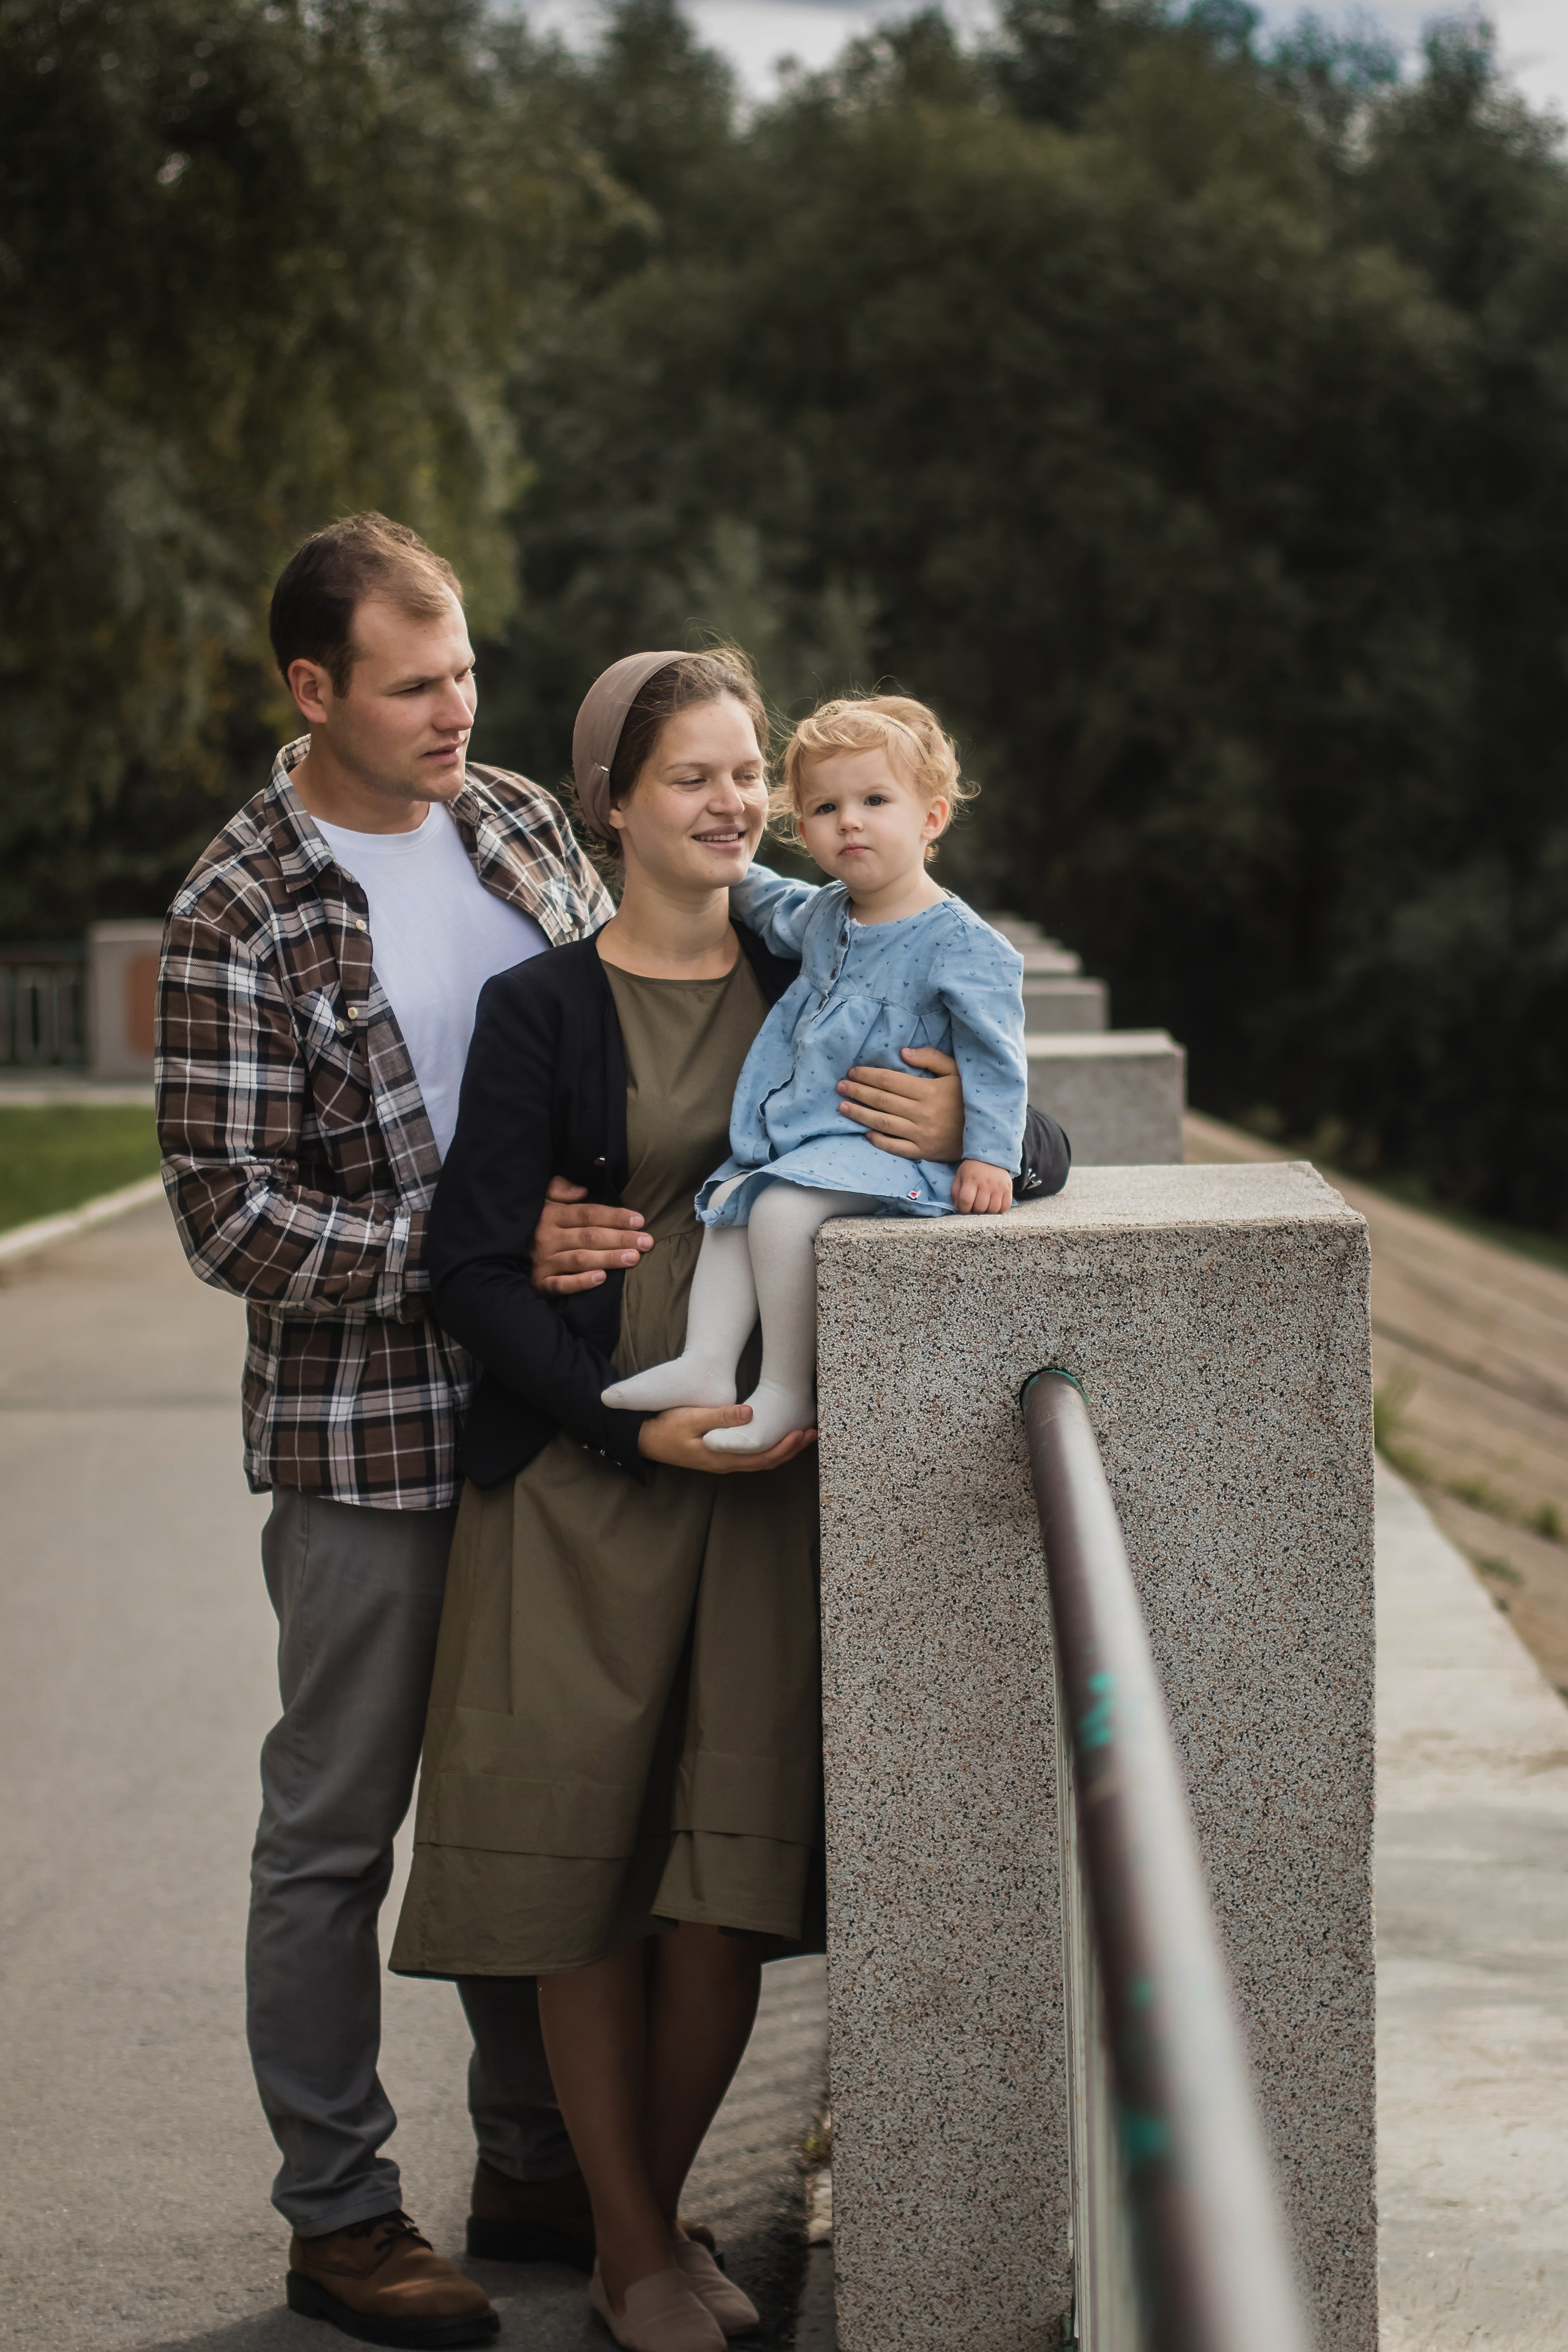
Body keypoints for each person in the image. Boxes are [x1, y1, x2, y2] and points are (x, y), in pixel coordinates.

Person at [156, 538, 991, 2349]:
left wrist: (1008, 1131)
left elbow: (828, 929)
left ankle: (544, 2160)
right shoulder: (240, 906)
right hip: (378, 1429)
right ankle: (342, 2210)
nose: (457, 711)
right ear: (313, 693)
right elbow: (226, 1215)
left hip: (566, 1418)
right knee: (342, 1822)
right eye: (410, 685)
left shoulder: (520, 820)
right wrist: (475, 1247)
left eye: (461, 671)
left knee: (560, 1811)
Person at [388, 649, 1070, 2352]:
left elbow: (1016, 1118)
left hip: (762, 1480)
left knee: (721, 1884)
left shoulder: (815, 944)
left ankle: (653, 2201)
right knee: (583, 1876)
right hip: (588, 1473)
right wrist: (629, 1438)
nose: (731, 801)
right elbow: (467, 1273)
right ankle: (631, 2247)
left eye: (747, 769)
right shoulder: (542, 1007)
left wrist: (975, 1130)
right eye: (689, 775)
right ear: (612, 803)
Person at [603, 694, 1028, 1452]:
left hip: (887, 1154)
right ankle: (706, 1363)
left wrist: (988, 1153)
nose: (849, 822)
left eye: (873, 800)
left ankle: (786, 1392)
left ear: (930, 819)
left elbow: (999, 1058)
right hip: (812, 1145)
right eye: (825, 807)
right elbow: (766, 899)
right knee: (733, 1199)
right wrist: (709, 864)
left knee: (777, 1212)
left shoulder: (962, 943)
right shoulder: (832, 913)